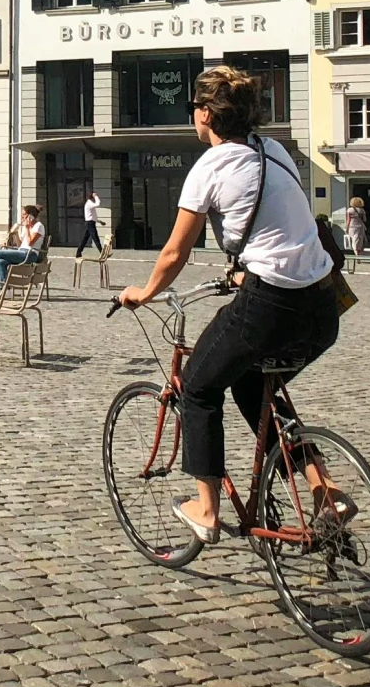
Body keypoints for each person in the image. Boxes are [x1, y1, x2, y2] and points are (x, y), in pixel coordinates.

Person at [118, 65, 346, 544]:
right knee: (253, 387)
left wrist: (143, 292)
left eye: (193, 110)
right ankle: (325, 491)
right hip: (323, 305)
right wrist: (244, 268)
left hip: (272, 303)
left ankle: (205, 509)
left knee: (198, 386)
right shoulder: (275, 151)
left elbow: (175, 253)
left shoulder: (210, 167)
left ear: (205, 114)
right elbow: (285, 224)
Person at [0, 205, 46, 286]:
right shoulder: (25, 227)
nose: (22, 217)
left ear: (30, 216)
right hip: (22, 252)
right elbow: (20, 245)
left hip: (31, 254)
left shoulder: (38, 226)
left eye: (24, 215)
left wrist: (28, 228)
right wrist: (15, 234)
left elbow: (30, 243)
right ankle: (3, 289)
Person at [75, 189, 104, 259]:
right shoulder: (89, 203)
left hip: (90, 222)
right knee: (95, 237)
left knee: (84, 238)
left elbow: (93, 216)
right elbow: (98, 203)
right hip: (90, 223)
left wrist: (100, 221)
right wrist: (96, 196)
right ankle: (102, 252)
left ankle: (78, 252)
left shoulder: (90, 204)